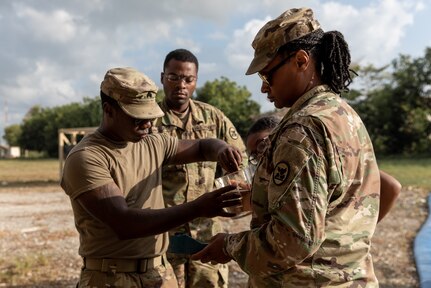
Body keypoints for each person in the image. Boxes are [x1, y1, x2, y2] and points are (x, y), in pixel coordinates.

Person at [192, 7, 382, 286]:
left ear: (301, 61)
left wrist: (231, 245)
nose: (264, 88)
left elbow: (294, 239)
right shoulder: (343, 115)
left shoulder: (302, 132)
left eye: (267, 75)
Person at [61, 67, 244, 288]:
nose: (147, 124)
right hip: (112, 276)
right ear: (108, 110)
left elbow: (202, 146)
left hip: (159, 271)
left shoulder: (151, 142)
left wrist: (221, 149)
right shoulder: (87, 157)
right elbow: (124, 223)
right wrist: (198, 207)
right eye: (137, 117)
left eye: (150, 116)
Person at [153, 48, 247, 288]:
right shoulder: (149, 121)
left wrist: (232, 178)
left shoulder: (213, 118)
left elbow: (241, 161)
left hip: (206, 232)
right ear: (162, 77)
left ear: (195, 81)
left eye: (188, 79)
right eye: (174, 77)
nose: (181, 85)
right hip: (162, 233)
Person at [246, 116, 401, 223]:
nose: (260, 156)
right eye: (253, 155)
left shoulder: (310, 157)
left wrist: (363, 230)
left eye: (262, 145)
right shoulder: (275, 176)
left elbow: (390, 186)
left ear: (280, 135)